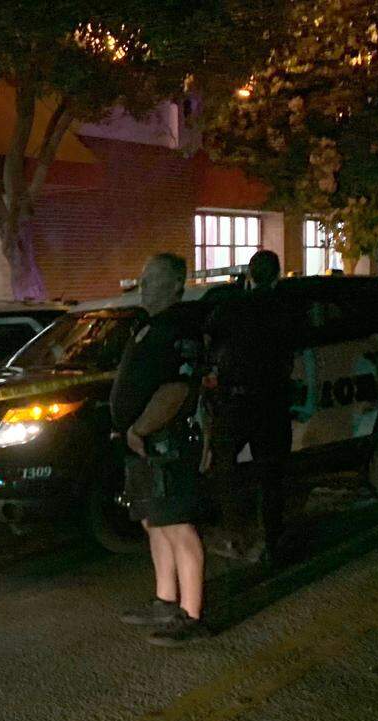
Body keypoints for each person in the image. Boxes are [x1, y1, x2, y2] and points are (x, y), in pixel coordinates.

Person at [111, 253, 209, 647]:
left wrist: (140, 428)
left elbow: (176, 389)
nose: (144, 283)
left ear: (175, 285)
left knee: (177, 524)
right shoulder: (150, 326)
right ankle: (166, 601)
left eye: (153, 277)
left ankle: (191, 615)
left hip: (168, 443)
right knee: (154, 521)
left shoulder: (178, 328)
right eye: (143, 276)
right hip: (145, 443)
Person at [204, 250, 295, 564]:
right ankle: (272, 539)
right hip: (272, 402)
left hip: (236, 401)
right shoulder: (285, 308)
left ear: (250, 276)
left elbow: (210, 336)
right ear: (277, 275)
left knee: (225, 469)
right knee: (271, 474)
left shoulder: (232, 306)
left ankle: (234, 535)